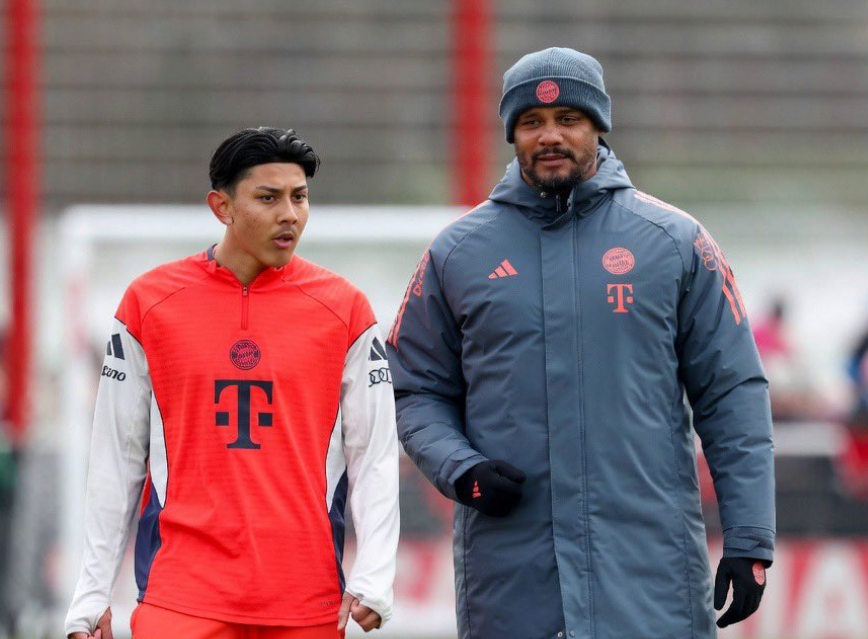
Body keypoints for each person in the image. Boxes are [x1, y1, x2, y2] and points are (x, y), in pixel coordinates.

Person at [387, 48, 774, 639]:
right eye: (531, 122)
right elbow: (412, 389)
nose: (550, 135)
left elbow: (733, 394)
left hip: (650, 572)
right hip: (512, 579)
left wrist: (749, 537)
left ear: (599, 126)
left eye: (568, 119)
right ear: (512, 134)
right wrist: (461, 469)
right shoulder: (455, 253)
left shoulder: (676, 243)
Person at [65, 128, 400, 639]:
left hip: (306, 600)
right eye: (268, 198)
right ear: (221, 207)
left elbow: (373, 453)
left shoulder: (345, 309)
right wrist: (92, 592)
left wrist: (374, 572)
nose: (289, 214)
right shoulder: (148, 304)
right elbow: (117, 456)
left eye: (299, 197)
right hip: (179, 597)